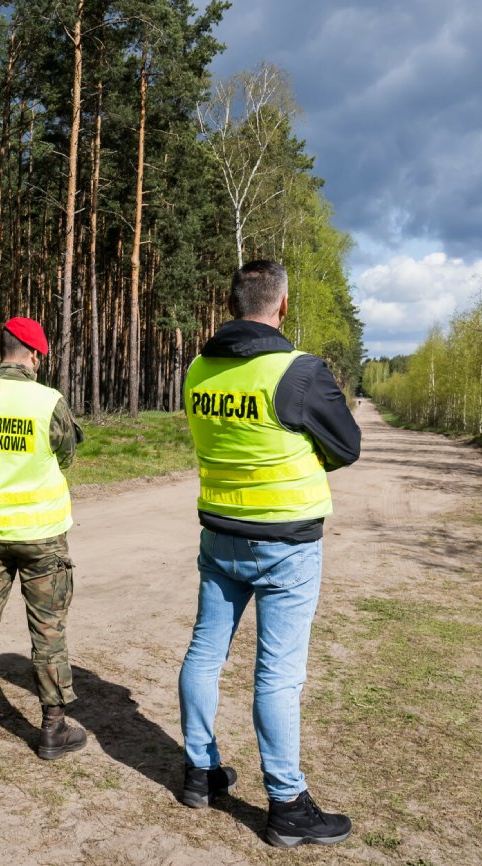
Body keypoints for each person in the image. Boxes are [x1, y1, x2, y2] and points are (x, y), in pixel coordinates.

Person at [177, 260, 361, 848]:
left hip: (220, 534)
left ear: (231, 304)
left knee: (205, 653)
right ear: (282, 305)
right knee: (278, 675)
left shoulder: (198, 370)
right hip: (286, 543)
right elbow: (346, 446)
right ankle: (286, 804)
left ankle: (200, 772)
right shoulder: (298, 372)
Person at [0, 316, 86, 760]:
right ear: (33, 354)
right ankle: (52, 729)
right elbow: (66, 456)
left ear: (3, 349)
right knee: (48, 630)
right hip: (42, 536)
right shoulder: (48, 401)